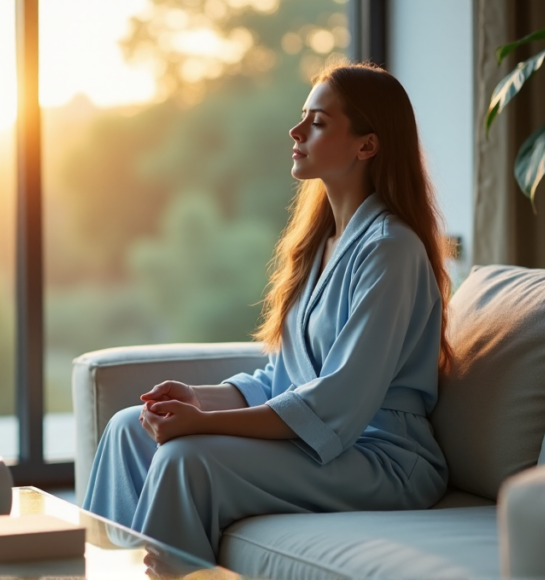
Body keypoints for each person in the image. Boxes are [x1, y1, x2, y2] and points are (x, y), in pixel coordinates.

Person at [81, 62, 454, 564]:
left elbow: (336, 401)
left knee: (189, 459)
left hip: (384, 457)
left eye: (318, 122)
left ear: (367, 145)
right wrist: (201, 399)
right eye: (304, 116)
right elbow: (284, 378)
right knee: (128, 429)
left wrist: (203, 426)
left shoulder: (390, 250)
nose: (296, 131)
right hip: (333, 443)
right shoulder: (324, 243)